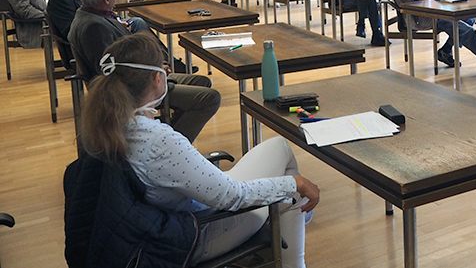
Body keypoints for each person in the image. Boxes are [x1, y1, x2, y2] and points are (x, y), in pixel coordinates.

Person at [78, 33, 319, 267]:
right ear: (157, 79)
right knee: (291, 191)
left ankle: (280, 240)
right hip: (194, 234)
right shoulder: (158, 140)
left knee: (279, 148)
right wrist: (295, 184)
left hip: (161, 225)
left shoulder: (106, 124)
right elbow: (231, 196)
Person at [68, 0, 220, 143]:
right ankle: (167, 145)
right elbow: (113, 73)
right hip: (133, 90)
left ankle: (168, 135)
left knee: (202, 82)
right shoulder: (94, 28)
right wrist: (153, 70)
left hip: (143, 78)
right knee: (210, 98)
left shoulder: (89, 16)